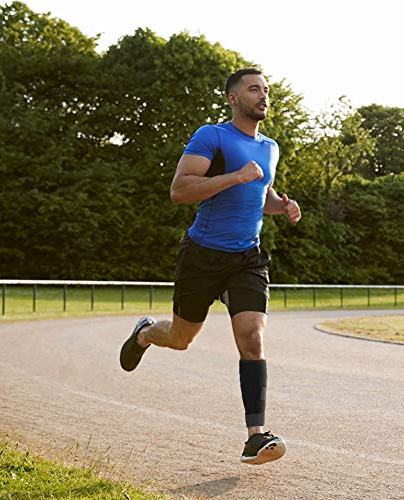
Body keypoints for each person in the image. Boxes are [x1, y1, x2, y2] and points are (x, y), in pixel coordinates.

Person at [120, 67, 301, 465]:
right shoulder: (212, 136)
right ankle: (147, 333)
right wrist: (234, 176)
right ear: (233, 99)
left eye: (266, 89)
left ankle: (256, 435)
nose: (263, 95)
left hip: (247, 257)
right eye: (254, 89)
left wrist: (281, 206)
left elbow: (261, 193)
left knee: (252, 335)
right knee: (182, 338)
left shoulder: (270, 147)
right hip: (202, 254)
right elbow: (180, 190)